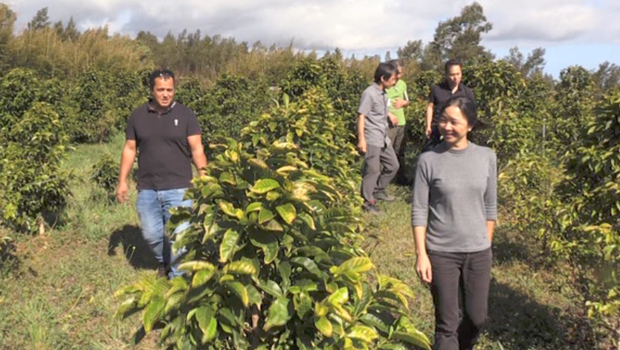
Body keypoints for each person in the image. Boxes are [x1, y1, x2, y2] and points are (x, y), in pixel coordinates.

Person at [411, 96, 497, 350]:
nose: (446, 127)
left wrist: (485, 243)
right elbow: (418, 210)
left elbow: (490, 206)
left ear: (470, 125)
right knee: (446, 324)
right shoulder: (429, 160)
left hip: (478, 253)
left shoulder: (486, 157)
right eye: (442, 120)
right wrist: (421, 254)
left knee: (476, 318)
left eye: (454, 122)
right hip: (441, 252)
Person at [116, 69, 207, 279]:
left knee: (181, 236)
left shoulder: (186, 115)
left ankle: (176, 280)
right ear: (152, 90)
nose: (166, 94)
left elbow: (197, 149)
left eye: (170, 90)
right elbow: (130, 149)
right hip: (148, 187)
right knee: (151, 235)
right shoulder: (138, 116)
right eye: (161, 90)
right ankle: (164, 260)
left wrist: (204, 177)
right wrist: (122, 181)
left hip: (180, 187)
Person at [357, 62, 400, 213]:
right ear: (383, 78)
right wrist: (361, 139)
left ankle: (377, 190)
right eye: (393, 79)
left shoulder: (383, 93)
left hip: (383, 137)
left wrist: (389, 115)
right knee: (373, 170)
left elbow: (380, 111)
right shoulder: (369, 93)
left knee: (393, 166)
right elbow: (361, 115)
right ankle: (367, 202)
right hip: (372, 137)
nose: (395, 82)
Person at [424, 59, 476, 152]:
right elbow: (430, 107)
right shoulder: (437, 89)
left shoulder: (467, 92)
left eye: (458, 74)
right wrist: (428, 126)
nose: (456, 78)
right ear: (446, 74)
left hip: (458, 131)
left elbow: (472, 112)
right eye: (452, 75)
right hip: (438, 129)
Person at [386, 59, 410, 158]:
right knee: (387, 150)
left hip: (401, 122)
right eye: (398, 73)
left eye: (401, 73)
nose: (399, 76)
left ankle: (400, 172)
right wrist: (388, 114)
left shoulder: (403, 84)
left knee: (399, 150)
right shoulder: (385, 84)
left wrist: (404, 103)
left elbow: (408, 100)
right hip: (388, 123)